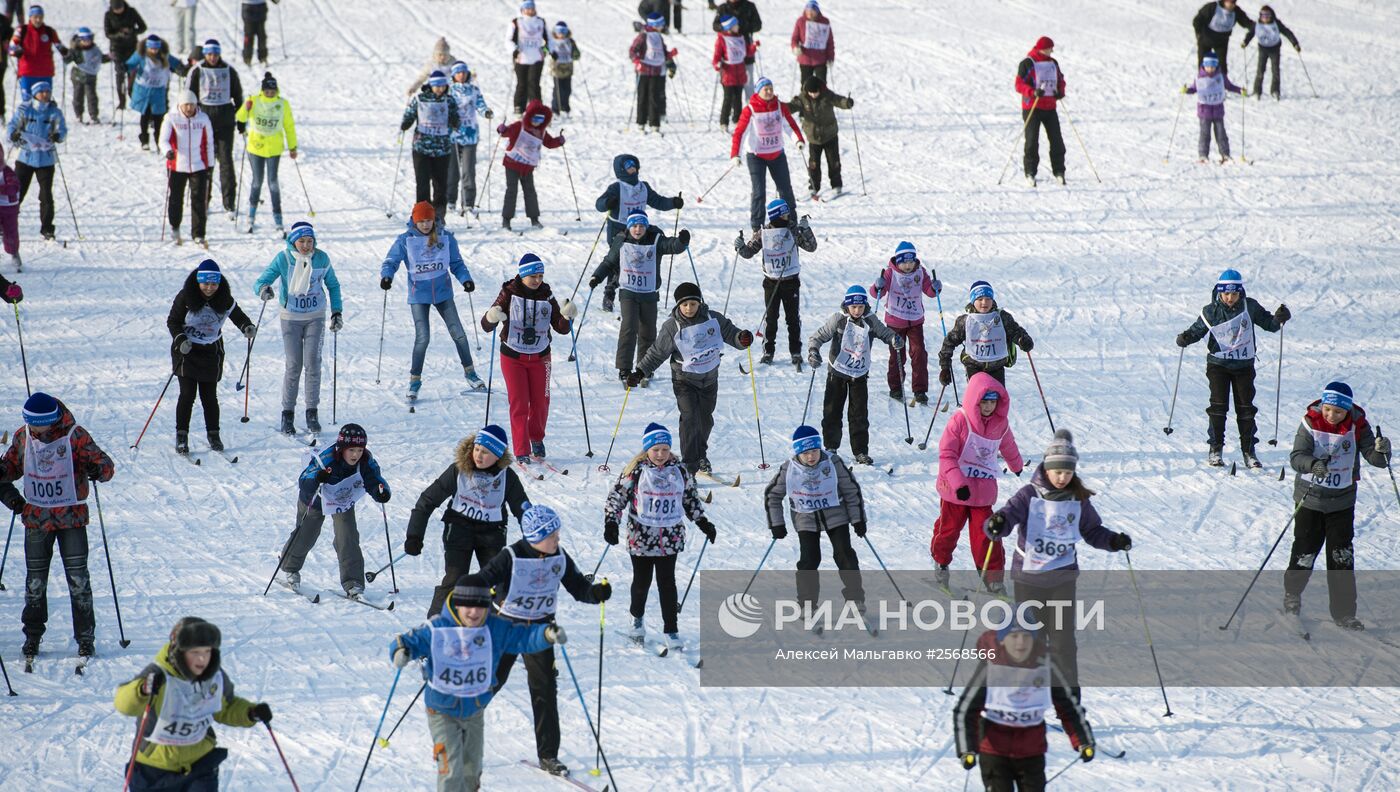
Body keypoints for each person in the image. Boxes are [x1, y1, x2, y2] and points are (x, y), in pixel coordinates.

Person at [984, 429, 1131, 693]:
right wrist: (997, 524)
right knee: (1032, 639)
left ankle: (1068, 696)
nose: (1063, 478)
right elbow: (1008, 515)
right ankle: (1031, 693)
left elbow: (1092, 531)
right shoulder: (1029, 494)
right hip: (1028, 578)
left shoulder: (1078, 499)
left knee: (1063, 641)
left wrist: (1113, 541)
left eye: (1068, 472)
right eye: (1058, 472)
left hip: (1062, 578)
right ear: (1046, 468)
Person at [390, 574, 567, 792]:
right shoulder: (439, 627)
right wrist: (401, 651)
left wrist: (546, 634)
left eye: (480, 607)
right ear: (458, 604)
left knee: (472, 769)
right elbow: (408, 641)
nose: (474, 613)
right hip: (442, 710)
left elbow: (522, 637)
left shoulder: (494, 628)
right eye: (468, 607)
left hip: (474, 709)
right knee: (452, 769)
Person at [478, 504, 611, 777]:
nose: (558, 540)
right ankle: (459, 735)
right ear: (535, 536)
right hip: (505, 626)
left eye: (557, 534)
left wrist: (596, 593)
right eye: (553, 536)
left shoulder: (558, 556)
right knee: (489, 682)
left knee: (545, 690)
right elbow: (481, 580)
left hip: (539, 629)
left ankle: (548, 755)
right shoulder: (511, 556)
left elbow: (579, 588)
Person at [1, 391, 114, 663]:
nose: (35, 429)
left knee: (78, 580)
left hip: (71, 518)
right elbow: (11, 467)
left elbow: (106, 465)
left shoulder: (74, 435)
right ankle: (32, 636)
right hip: (37, 520)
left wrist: (98, 470)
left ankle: (85, 638)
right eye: (31, 423)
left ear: (52, 421)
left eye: (39, 424)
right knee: (35, 583)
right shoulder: (23, 436)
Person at [114, 618, 272, 791]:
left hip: (200, 764)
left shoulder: (214, 677)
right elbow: (124, 705)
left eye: (207, 651)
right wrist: (142, 689)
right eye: (195, 652)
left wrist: (250, 713)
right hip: (155, 768)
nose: (202, 658)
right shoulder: (159, 675)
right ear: (178, 651)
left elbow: (226, 708)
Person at [1284, 382, 1391, 631]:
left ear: (1347, 411)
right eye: (1328, 410)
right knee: (1305, 551)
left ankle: (1344, 613)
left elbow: (1376, 460)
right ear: (1323, 405)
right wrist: (1313, 465)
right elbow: (1296, 457)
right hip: (1310, 500)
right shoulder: (1310, 423)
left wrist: (1382, 450)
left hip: (1342, 502)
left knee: (1341, 558)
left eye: (1338, 412)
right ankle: (1292, 595)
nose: (1332, 416)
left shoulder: (1358, 425)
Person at [604, 423, 715, 649]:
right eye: (656, 450)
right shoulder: (635, 471)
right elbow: (617, 499)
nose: (661, 454)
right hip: (642, 536)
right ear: (647, 450)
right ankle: (637, 622)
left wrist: (702, 521)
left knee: (667, 583)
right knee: (641, 582)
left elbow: (690, 499)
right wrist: (611, 524)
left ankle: (671, 630)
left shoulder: (680, 470)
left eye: (665, 449)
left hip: (670, 537)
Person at [405, 426, 532, 619]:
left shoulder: (507, 478)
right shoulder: (459, 470)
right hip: (458, 530)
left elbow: (523, 510)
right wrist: (414, 535)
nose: (479, 455)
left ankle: (501, 625)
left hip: (491, 534)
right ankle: (436, 624)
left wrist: (535, 540)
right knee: (454, 578)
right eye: (477, 449)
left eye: (486, 452)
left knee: (498, 581)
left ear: (498, 456)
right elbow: (427, 501)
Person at [953, 624, 1096, 792]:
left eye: (1026, 636)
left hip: (1032, 752)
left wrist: (1083, 741)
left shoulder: (1046, 666)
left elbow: (1069, 707)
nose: (1020, 643)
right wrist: (966, 749)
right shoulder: (990, 667)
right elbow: (966, 710)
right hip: (994, 752)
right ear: (1003, 640)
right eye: (1014, 637)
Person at [630, 282, 753, 474]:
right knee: (690, 419)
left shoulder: (713, 318)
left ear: (699, 303)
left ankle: (700, 456)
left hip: (710, 378)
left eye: (693, 304)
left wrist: (742, 338)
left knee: (705, 420)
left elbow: (731, 333)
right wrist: (640, 372)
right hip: (684, 380)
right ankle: (689, 465)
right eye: (685, 304)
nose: (689, 308)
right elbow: (657, 353)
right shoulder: (672, 326)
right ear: (678, 305)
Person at [1175, 268, 1287, 467]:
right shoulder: (1211, 311)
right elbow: (1197, 330)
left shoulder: (1249, 306)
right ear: (1219, 292)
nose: (1230, 297)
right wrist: (1185, 338)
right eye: (1226, 293)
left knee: (1246, 409)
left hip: (1244, 366)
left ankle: (1249, 450)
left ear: (1240, 292)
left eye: (1234, 293)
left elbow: (1269, 324)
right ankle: (1215, 448)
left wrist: (1279, 319)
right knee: (1218, 407)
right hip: (1218, 365)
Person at [763, 424, 869, 628]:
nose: (811, 457)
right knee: (809, 560)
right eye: (805, 453)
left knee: (845, 555)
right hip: (805, 518)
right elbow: (772, 495)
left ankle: (856, 601)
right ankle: (807, 605)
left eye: (814, 451)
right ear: (798, 452)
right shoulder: (789, 469)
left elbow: (851, 490)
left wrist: (858, 519)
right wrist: (777, 523)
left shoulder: (833, 462)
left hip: (836, 514)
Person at [380, 201, 485, 401]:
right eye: (422, 221)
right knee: (423, 338)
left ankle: (470, 373)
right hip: (418, 295)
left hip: (443, 294)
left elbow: (456, 263)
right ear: (415, 221)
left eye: (428, 220)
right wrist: (387, 276)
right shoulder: (406, 240)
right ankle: (414, 380)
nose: (426, 225)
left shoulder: (446, 237)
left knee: (459, 334)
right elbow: (391, 261)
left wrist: (466, 279)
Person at [930, 372, 1023, 594]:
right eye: (985, 402)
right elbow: (946, 454)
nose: (989, 407)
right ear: (975, 400)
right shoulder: (959, 420)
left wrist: (1016, 464)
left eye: (993, 402)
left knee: (987, 534)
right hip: (956, 492)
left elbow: (1007, 444)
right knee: (949, 530)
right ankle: (941, 563)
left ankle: (993, 578)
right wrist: (958, 484)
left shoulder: (1000, 424)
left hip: (982, 492)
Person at [277, 423, 390, 598]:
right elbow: (304, 480)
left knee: (348, 536)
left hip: (342, 499)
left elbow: (375, 479)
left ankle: (354, 583)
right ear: (342, 448)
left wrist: (381, 492)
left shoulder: (366, 460)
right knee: (306, 534)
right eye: (351, 450)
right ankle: (289, 568)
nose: (355, 455)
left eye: (359, 450)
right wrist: (317, 477)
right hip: (315, 499)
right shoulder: (327, 458)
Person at [481, 252, 576, 461]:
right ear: (522, 275)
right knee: (520, 403)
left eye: (540, 276)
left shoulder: (546, 295)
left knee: (541, 402)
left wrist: (567, 317)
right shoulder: (509, 293)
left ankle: (536, 438)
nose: (537, 280)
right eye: (533, 276)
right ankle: (521, 449)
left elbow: (560, 327)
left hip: (541, 357)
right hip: (513, 356)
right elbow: (486, 325)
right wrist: (492, 316)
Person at [253, 221, 341, 437]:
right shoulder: (283, 258)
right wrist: (264, 289)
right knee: (294, 365)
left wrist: (336, 312)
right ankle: (288, 413)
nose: (306, 245)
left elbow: (333, 285)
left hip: (315, 316)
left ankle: (312, 412)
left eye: (310, 241)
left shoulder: (321, 258)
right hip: (290, 317)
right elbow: (261, 281)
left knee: (313, 363)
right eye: (301, 241)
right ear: (293, 241)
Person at [588, 209, 691, 384]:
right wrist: (596, 277)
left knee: (648, 331)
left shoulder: (655, 239)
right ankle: (624, 368)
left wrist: (682, 241)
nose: (638, 229)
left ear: (646, 226)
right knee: (629, 327)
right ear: (629, 227)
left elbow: (671, 246)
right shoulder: (621, 240)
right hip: (628, 292)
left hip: (649, 294)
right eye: (634, 226)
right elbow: (609, 261)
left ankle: (644, 368)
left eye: (641, 226)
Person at [807, 285, 903, 465]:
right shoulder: (838, 319)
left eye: (860, 307)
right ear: (847, 306)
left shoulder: (870, 320)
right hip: (837, 373)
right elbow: (818, 336)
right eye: (854, 307)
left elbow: (885, 333)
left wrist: (894, 339)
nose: (857, 310)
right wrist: (813, 351)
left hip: (859, 375)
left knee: (859, 414)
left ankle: (860, 451)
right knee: (832, 412)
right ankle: (831, 447)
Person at [166, 260, 254, 454]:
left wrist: (246, 326)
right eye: (205, 283)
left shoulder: (224, 298)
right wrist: (181, 340)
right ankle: (182, 436)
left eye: (213, 284)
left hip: (211, 351)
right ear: (198, 282)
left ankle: (213, 435)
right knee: (187, 394)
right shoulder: (186, 297)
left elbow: (238, 316)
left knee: (209, 396)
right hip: (186, 350)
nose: (209, 288)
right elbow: (173, 321)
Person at [591, 153, 681, 313]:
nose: (632, 169)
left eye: (634, 165)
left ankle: (638, 291)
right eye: (628, 166)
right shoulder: (617, 188)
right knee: (617, 262)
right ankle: (609, 294)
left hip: (640, 229)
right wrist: (607, 203)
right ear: (621, 170)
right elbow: (599, 204)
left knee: (636, 262)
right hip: (618, 229)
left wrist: (673, 202)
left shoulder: (643, 187)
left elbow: (658, 201)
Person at [735, 198, 815, 367]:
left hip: (791, 281)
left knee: (792, 319)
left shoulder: (793, 230)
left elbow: (811, 247)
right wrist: (740, 246)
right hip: (771, 282)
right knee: (771, 318)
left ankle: (796, 351)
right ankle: (768, 352)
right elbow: (748, 252)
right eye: (785, 214)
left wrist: (806, 230)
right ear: (777, 216)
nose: (788, 217)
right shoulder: (763, 233)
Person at [869, 241, 941, 403]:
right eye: (904, 262)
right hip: (895, 321)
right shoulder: (890, 273)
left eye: (911, 261)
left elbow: (929, 291)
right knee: (897, 356)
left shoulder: (920, 272)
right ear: (898, 261)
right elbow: (877, 294)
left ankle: (920, 390)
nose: (908, 266)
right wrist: (877, 286)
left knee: (919, 354)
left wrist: (935, 287)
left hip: (915, 320)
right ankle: (895, 388)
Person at [729, 76, 803, 233]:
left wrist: (798, 140)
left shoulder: (779, 106)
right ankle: (757, 227)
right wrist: (736, 154)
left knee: (785, 190)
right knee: (759, 191)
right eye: (765, 89)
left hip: (777, 154)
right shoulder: (751, 109)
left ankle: (792, 222)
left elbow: (790, 125)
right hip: (756, 157)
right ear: (758, 92)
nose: (769, 92)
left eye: (771, 88)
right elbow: (740, 133)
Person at [937, 280, 1033, 388]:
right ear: (973, 300)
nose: (984, 302)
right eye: (980, 299)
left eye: (988, 299)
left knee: (997, 398)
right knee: (978, 396)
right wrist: (945, 368)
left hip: (997, 365)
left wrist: (1023, 340)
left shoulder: (1001, 317)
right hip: (973, 365)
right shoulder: (966, 321)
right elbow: (949, 342)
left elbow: (1015, 331)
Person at [187, 39, 243, 220]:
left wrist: (241, 119)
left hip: (225, 121)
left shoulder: (229, 70)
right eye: (209, 54)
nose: (212, 57)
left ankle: (229, 204)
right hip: (204, 123)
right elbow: (188, 96)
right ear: (204, 54)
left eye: (215, 54)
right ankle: (204, 201)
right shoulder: (197, 71)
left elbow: (238, 96)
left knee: (226, 162)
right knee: (206, 163)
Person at [234, 71, 296, 234]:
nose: (270, 94)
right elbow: (240, 117)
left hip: (274, 149)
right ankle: (251, 216)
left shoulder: (283, 104)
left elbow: (289, 126)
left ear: (276, 91)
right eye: (267, 91)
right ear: (263, 90)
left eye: (272, 91)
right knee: (257, 181)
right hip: (256, 147)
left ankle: (278, 217)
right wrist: (246, 108)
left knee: (273, 182)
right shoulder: (254, 100)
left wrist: (292, 147)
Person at [6, 80, 66, 241]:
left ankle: (47, 228)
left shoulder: (54, 112)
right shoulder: (25, 110)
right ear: (35, 94)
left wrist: (58, 136)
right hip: (25, 158)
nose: (45, 94)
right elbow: (12, 126)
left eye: (48, 91)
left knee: (46, 196)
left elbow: (63, 130)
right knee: (17, 193)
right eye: (42, 91)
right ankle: (5, 224)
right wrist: (13, 135)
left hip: (46, 160)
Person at [402, 70, 461, 224]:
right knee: (422, 183)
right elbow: (410, 114)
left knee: (440, 184)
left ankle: (439, 216)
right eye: (436, 86)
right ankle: (422, 216)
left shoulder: (449, 101)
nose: (440, 89)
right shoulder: (420, 99)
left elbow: (456, 116)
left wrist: (455, 122)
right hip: (421, 148)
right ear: (431, 86)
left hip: (442, 149)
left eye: (442, 86)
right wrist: (406, 123)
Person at [495, 99, 563, 231]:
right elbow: (505, 132)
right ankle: (506, 220)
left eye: (541, 119)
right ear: (529, 116)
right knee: (512, 191)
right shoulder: (519, 126)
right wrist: (501, 129)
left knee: (530, 192)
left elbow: (549, 143)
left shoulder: (541, 132)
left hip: (527, 168)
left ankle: (534, 219)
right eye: (535, 118)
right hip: (512, 164)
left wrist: (559, 141)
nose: (537, 122)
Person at [159, 90, 214, 247]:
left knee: (198, 200)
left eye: (192, 104)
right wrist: (167, 151)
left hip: (199, 165)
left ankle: (198, 233)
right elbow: (163, 140)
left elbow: (209, 142)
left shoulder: (203, 119)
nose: (189, 108)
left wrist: (210, 165)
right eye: (186, 105)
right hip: (177, 165)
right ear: (180, 105)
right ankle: (175, 226)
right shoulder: (171, 118)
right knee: (176, 198)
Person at [785, 75, 851, 200]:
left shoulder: (827, 95)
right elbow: (791, 107)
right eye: (811, 92)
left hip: (830, 135)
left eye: (815, 92)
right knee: (814, 164)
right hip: (813, 138)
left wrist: (846, 103)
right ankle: (814, 187)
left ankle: (836, 186)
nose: (813, 95)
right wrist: (780, 107)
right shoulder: (803, 98)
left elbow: (838, 100)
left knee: (833, 161)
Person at [1014, 36, 1067, 187]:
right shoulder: (1027, 63)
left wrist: (1060, 92)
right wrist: (1032, 91)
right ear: (1043, 48)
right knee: (1032, 141)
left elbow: (1060, 79)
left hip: (1050, 107)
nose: (1052, 51)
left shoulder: (1053, 63)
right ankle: (1030, 172)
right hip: (1032, 107)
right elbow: (1019, 85)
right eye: (1050, 49)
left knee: (1057, 141)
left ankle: (1059, 171)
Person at [445, 61, 492, 217]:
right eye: (458, 72)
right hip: (453, 136)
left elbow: (480, 104)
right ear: (453, 75)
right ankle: (450, 200)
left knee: (468, 171)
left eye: (464, 72)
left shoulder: (473, 90)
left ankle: (468, 203)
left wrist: (486, 112)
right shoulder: (449, 91)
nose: (461, 75)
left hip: (470, 135)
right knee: (452, 171)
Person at [1183, 52, 1245, 163]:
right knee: (1205, 134)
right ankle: (1203, 155)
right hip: (1204, 112)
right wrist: (1186, 90)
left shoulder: (1220, 77)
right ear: (1204, 65)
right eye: (1208, 66)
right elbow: (1193, 89)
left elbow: (1229, 86)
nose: (1210, 69)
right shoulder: (1199, 78)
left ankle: (1225, 154)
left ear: (1216, 66)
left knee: (1221, 133)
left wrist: (1240, 90)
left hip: (1218, 111)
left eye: (1213, 66)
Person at [126, 35, 185, 150]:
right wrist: (123, 67)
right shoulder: (141, 56)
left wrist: (182, 68)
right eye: (151, 48)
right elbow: (130, 64)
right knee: (145, 114)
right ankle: (144, 140)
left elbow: (177, 65)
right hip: (143, 90)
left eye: (156, 48)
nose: (154, 51)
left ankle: (159, 141)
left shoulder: (165, 56)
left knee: (159, 117)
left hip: (159, 91)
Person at [8, 6, 67, 102]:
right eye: (35, 17)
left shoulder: (49, 31)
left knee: (44, 103)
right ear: (30, 17)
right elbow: (11, 47)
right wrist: (15, 52)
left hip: (45, 73)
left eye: (40, 17)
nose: (38, 20)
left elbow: (59, 45)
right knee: (27, 103)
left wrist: (65, 52)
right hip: (27, 72)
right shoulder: (22, 30)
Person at [629, 13, 676, 133]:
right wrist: (636, 61)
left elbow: (663, 54)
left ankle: (655, 123)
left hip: (656, 71)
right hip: (643, 71)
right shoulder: (643, 35)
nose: (663, 27)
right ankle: (641, 122)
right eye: (661, 24)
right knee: (643, 97)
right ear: (655, 25)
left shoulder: (659, 37)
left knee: (654, 98)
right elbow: (633, 50)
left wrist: (671, 54)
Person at [1242, 5, 1299, 100]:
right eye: (1263, 16)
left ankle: (1275, 91)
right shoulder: (1257, 25)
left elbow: (1287, 32)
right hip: (1263, 49)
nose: (1265, 18)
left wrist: (1295, 43)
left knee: (1275, 70)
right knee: (1260, 70)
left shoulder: (1276, 23)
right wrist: (1245, 42)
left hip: (1274, 49)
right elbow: (1250, 33)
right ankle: (1257, 91)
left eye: (1267, 15)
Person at [103, 0, 148, 113]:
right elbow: (108, 33)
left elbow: (143, 27)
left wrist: (132, 31)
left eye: (120, 8)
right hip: (117, 48)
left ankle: (133, 97)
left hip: (132, 47)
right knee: (120, 74)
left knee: (132, 73)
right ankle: (121, 101)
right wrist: (119, 34)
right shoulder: (108, 15)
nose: (118, 11)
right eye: (115, 9)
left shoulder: (131, 12)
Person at [712, 15, 754, 131]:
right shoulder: (722, 39)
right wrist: (717, 64)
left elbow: (746, 52)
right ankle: (724, 122)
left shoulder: (740, 37)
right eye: (736, 25)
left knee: (738, 99)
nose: (738, 27)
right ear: (730, 27)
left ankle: (737, 120)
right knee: (728, 98)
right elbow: (716, 56)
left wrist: (753, 48)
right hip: (728, 73)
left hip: (740, 72)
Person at [711, 0, 760, 97]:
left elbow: (758, 25)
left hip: (746, 48)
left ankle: (751, 107)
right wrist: (726, 28)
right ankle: (733, 108)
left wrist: (743, 27)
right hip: (729, 55)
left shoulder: (749, 6)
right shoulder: (723, 8)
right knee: (730, 85)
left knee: (748, 81)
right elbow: (715, 25)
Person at [1193, 0, 1253, 77]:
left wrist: (1255, 26)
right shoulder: (1212, 7)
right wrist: (1198, 33)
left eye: (1234, 2)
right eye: (1230, 2)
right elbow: (1198, 19)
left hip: (1221, 42)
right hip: (1205, 40)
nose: (1232, 4)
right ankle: (1202, 83)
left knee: (1222, 66)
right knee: (1204, 64)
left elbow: (1246, 22)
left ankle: (1222, 84)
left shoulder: (1236, 11)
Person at [64, 27, 110, 125]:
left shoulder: (95, 49)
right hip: (78, 76)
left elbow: (100, 59)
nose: (87, 41)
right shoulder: (76, 50)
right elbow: (67, 59)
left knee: (91, 96)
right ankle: (78, 114)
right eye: (84, 39)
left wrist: (109, 57)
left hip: (91, 76)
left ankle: (93, 115)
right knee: (78, 95)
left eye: (89, 38)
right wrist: (67, 56)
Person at [511, 0, 548, 116]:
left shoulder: (540, 22)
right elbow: (509, 39)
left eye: (532, 8)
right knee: (522, 83)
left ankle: (536, 109)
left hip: (536, 58)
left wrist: (547, 50)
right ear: (523, 9)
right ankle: (519, 108)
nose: (530, 10)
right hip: (521, 58)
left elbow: (548, 39)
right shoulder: (517, 22)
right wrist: (514, 49)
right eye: (527, 8)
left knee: (534, 83)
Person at [789, 0, 834, 86]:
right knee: (806, 84)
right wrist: (795, 47)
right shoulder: (801, 21)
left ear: (817, 11)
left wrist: (831, 57)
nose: (810, 13)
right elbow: (795, 38)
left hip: (821, 59)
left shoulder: (824, 22)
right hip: (805, 59)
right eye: (808, 10)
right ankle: (804, 99)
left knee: (822, 85)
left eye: (812, 11)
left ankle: (822, 99)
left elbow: (830, 42)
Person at [547, 21, 579, 118]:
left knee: (567, 90)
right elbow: (544, 49)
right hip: (556, 69)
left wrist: (575, 54)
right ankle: (555, 109)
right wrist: (551, 54)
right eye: (558, 31)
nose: (561, 34)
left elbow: (576, 53)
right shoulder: (552, 41)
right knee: (558, 90)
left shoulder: (570, 41)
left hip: (568, 69)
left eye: (563, 31)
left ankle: (565, 108)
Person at [240, 0, 278, 68]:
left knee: (259, 35)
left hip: (258, 7)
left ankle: (260, 58)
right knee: (251, 35)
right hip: (251, 6)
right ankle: (248, 58)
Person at [0, 149, 19, 269]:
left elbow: (13, 188)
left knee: (10, 233)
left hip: (8, 207)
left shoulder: (7, 172)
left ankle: (14, 253)